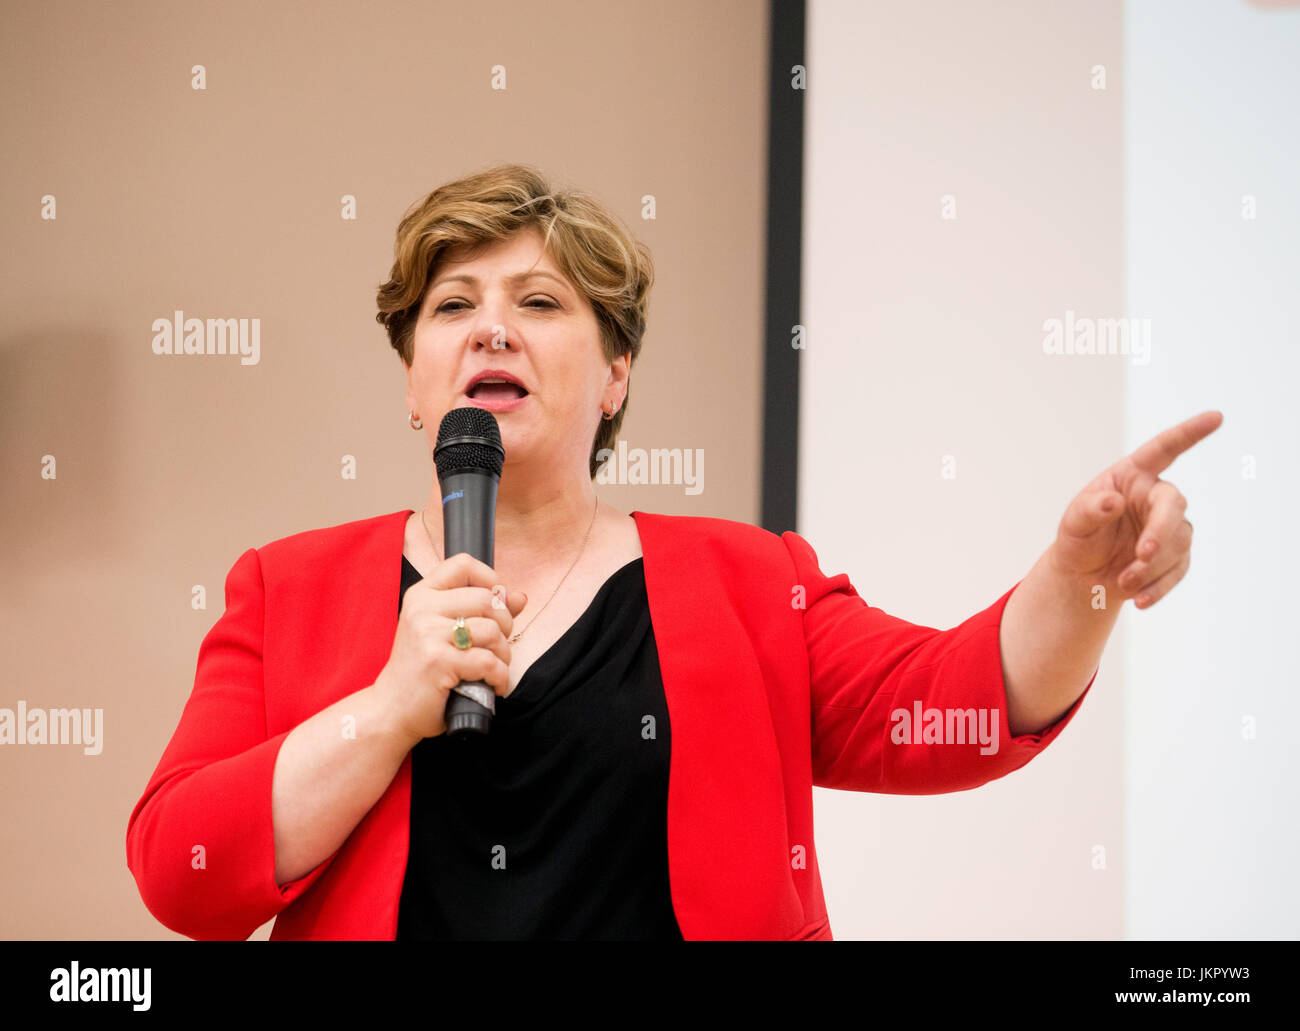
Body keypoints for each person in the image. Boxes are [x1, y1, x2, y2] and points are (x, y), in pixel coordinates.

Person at [125, 163, 1219, 941]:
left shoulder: (748, 580)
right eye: (452, 305)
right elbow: (184, 872)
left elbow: (960, 708)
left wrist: (1084, 575)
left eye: (541, 302)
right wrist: (388, 704)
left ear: (616, 377)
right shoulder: (286, 585)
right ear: (414, 381)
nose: (490, 328)